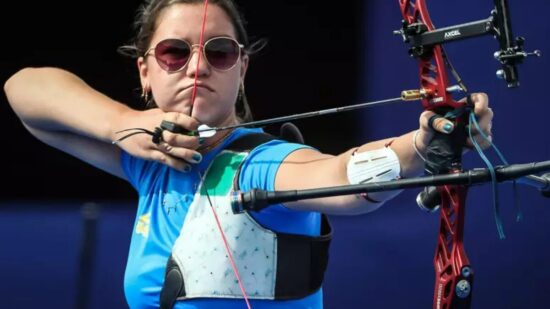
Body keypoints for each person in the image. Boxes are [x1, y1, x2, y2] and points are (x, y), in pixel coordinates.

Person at [3, 0, 494, 308]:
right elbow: (26, 93)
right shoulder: (149, 163)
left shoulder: (259, 164)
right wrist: (121, 124)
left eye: (219, 53)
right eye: (175, 52)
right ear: (145, 71)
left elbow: (340, 176)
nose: (197, 66)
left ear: (241, 71)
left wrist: (422, 145)